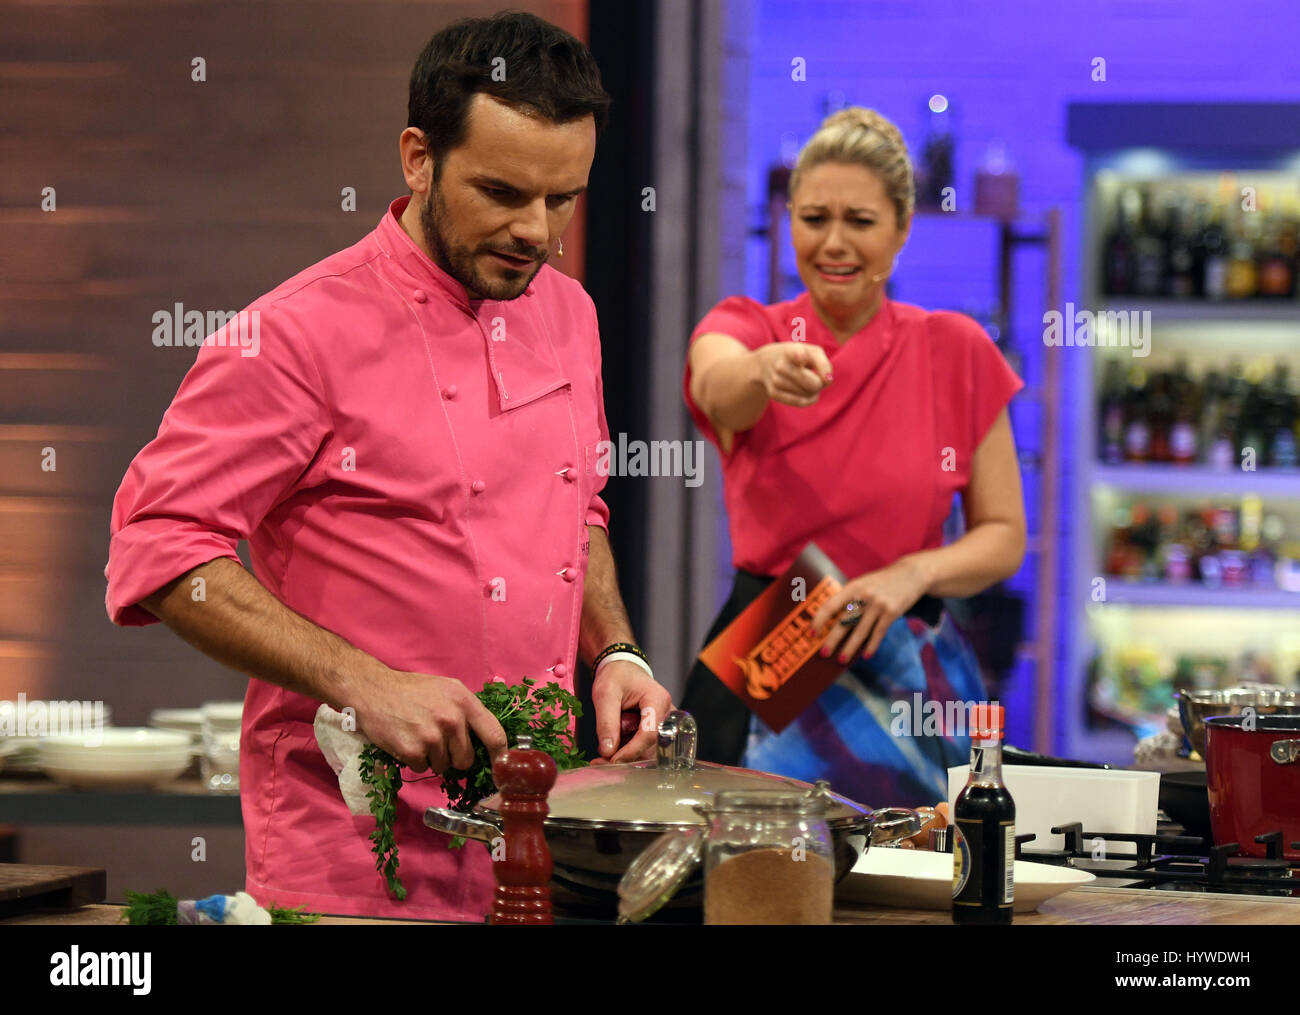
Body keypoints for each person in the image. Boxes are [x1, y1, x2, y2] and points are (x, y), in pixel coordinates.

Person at [105, 12, 672, 921]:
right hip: (349, 861)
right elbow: (158, 542)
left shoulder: (569, 314)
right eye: (502, 192)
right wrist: (364, 682)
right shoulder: (295, 334)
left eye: (562, 199)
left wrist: (615, 650)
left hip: (535, 846)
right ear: (418, 157)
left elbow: (580, 512)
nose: (536, 230)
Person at [681, 107, 1026, 808]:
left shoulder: (955, 348)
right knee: (746, 884)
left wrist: (912, 573)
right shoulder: (749, 327)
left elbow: (1004, 536)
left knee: (926, 877)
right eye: (813, 218)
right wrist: (762, 370)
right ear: (788, 221)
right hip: (773, 640)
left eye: (860, 221)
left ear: (901, 229)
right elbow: (717, 382)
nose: (834, 242)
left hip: (911, 652)